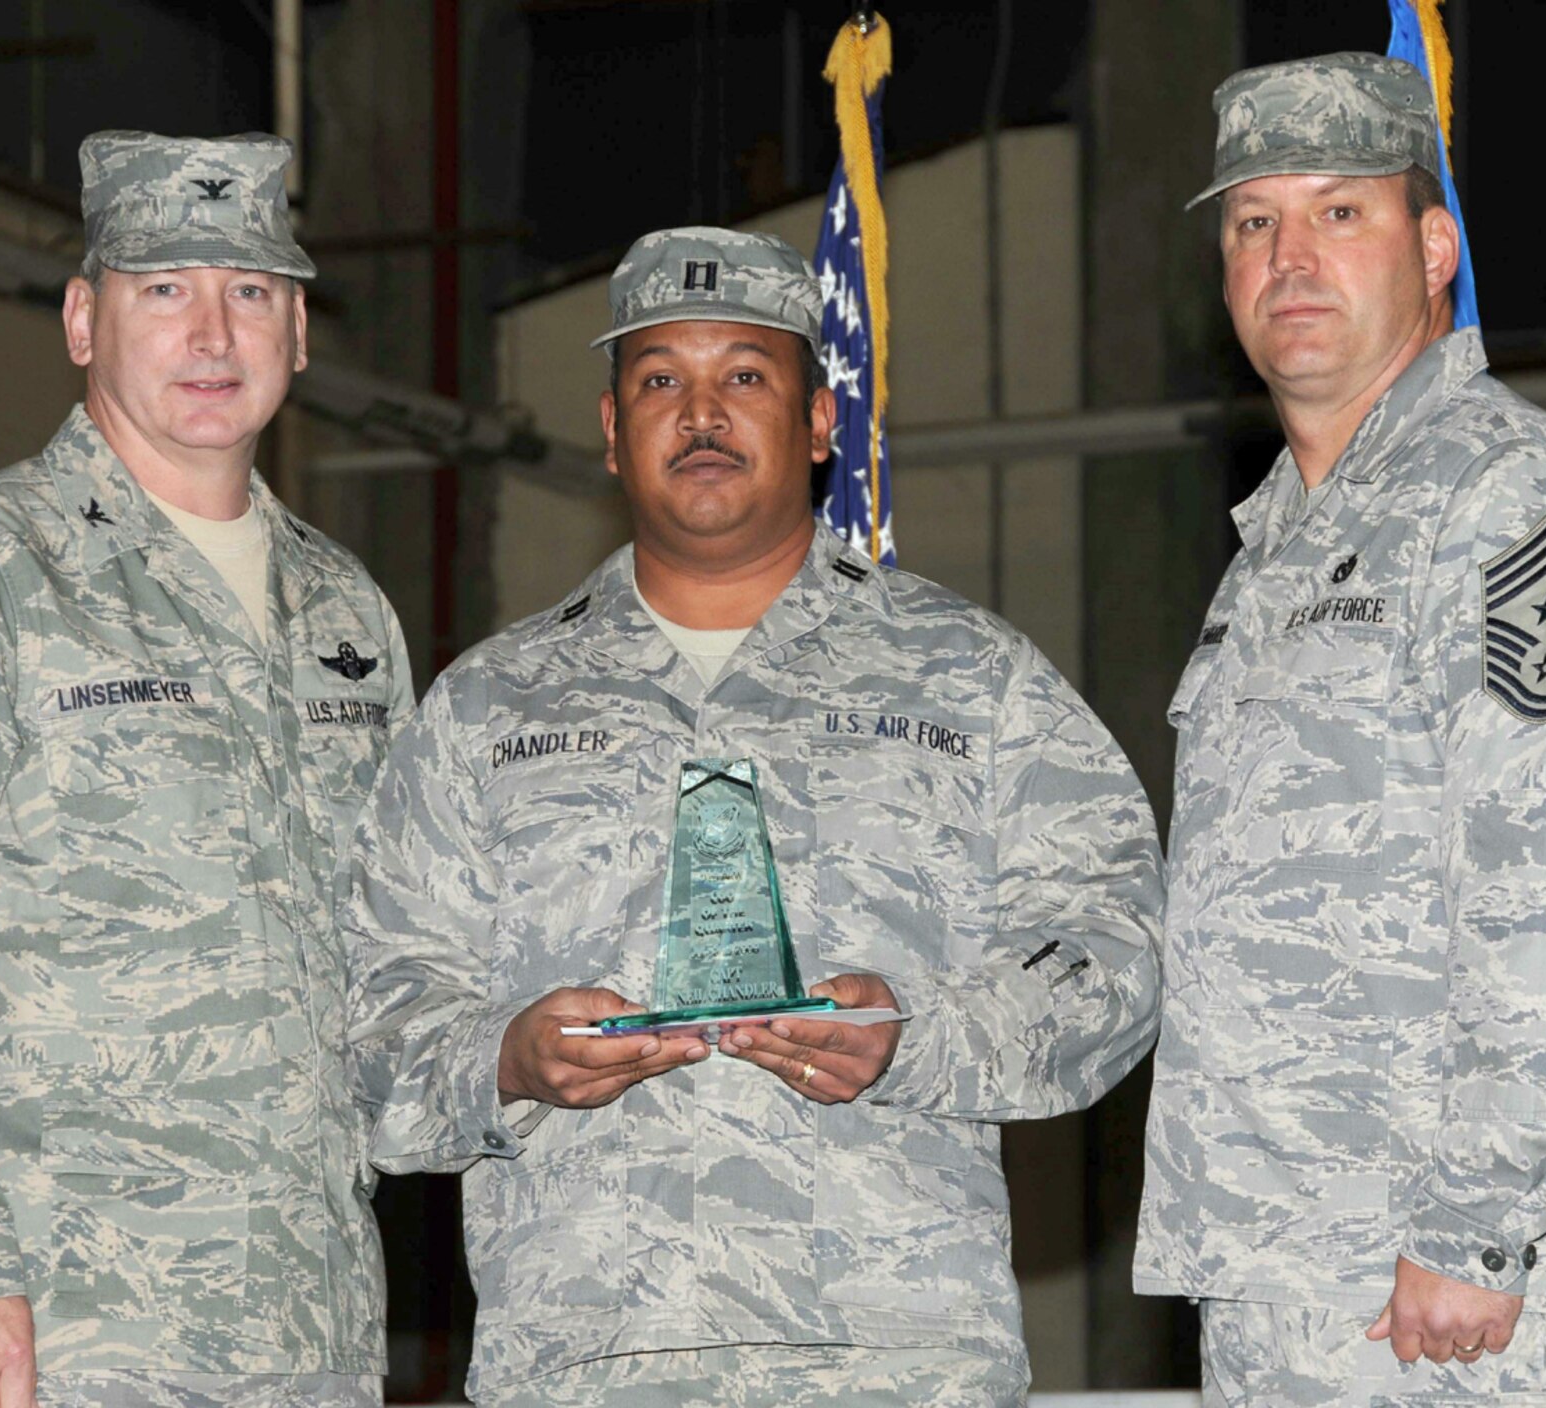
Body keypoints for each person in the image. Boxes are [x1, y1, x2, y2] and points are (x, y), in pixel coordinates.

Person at [344, 226, 1163, 1405]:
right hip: (589, 1361)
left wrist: (921, 1032)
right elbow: (375, 1016)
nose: (701, 411)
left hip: (894, 1358)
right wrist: (502, 1057)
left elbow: (1113, 948)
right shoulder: (486, 708)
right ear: (613, 431)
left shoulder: (968, 679)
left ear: (820, 423)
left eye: (744, 376)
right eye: (659, 380)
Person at [0, 131, 409, 1408]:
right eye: (164, 288)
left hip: (314, 1326)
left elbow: (398, 953)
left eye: (250, 293)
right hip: (63, 1324)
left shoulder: (348, 615)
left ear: (298, 335)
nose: (212, 334)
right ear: (84, 319)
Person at [1133, 53, 1546, 1405]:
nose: (1289, 257)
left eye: (1339, 214)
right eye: (1253, 224)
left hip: (1458, 1302)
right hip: (1289, 1281)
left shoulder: (1502, 498)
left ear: (1436, 250)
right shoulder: (1276, 548)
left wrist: (1476, 1225)